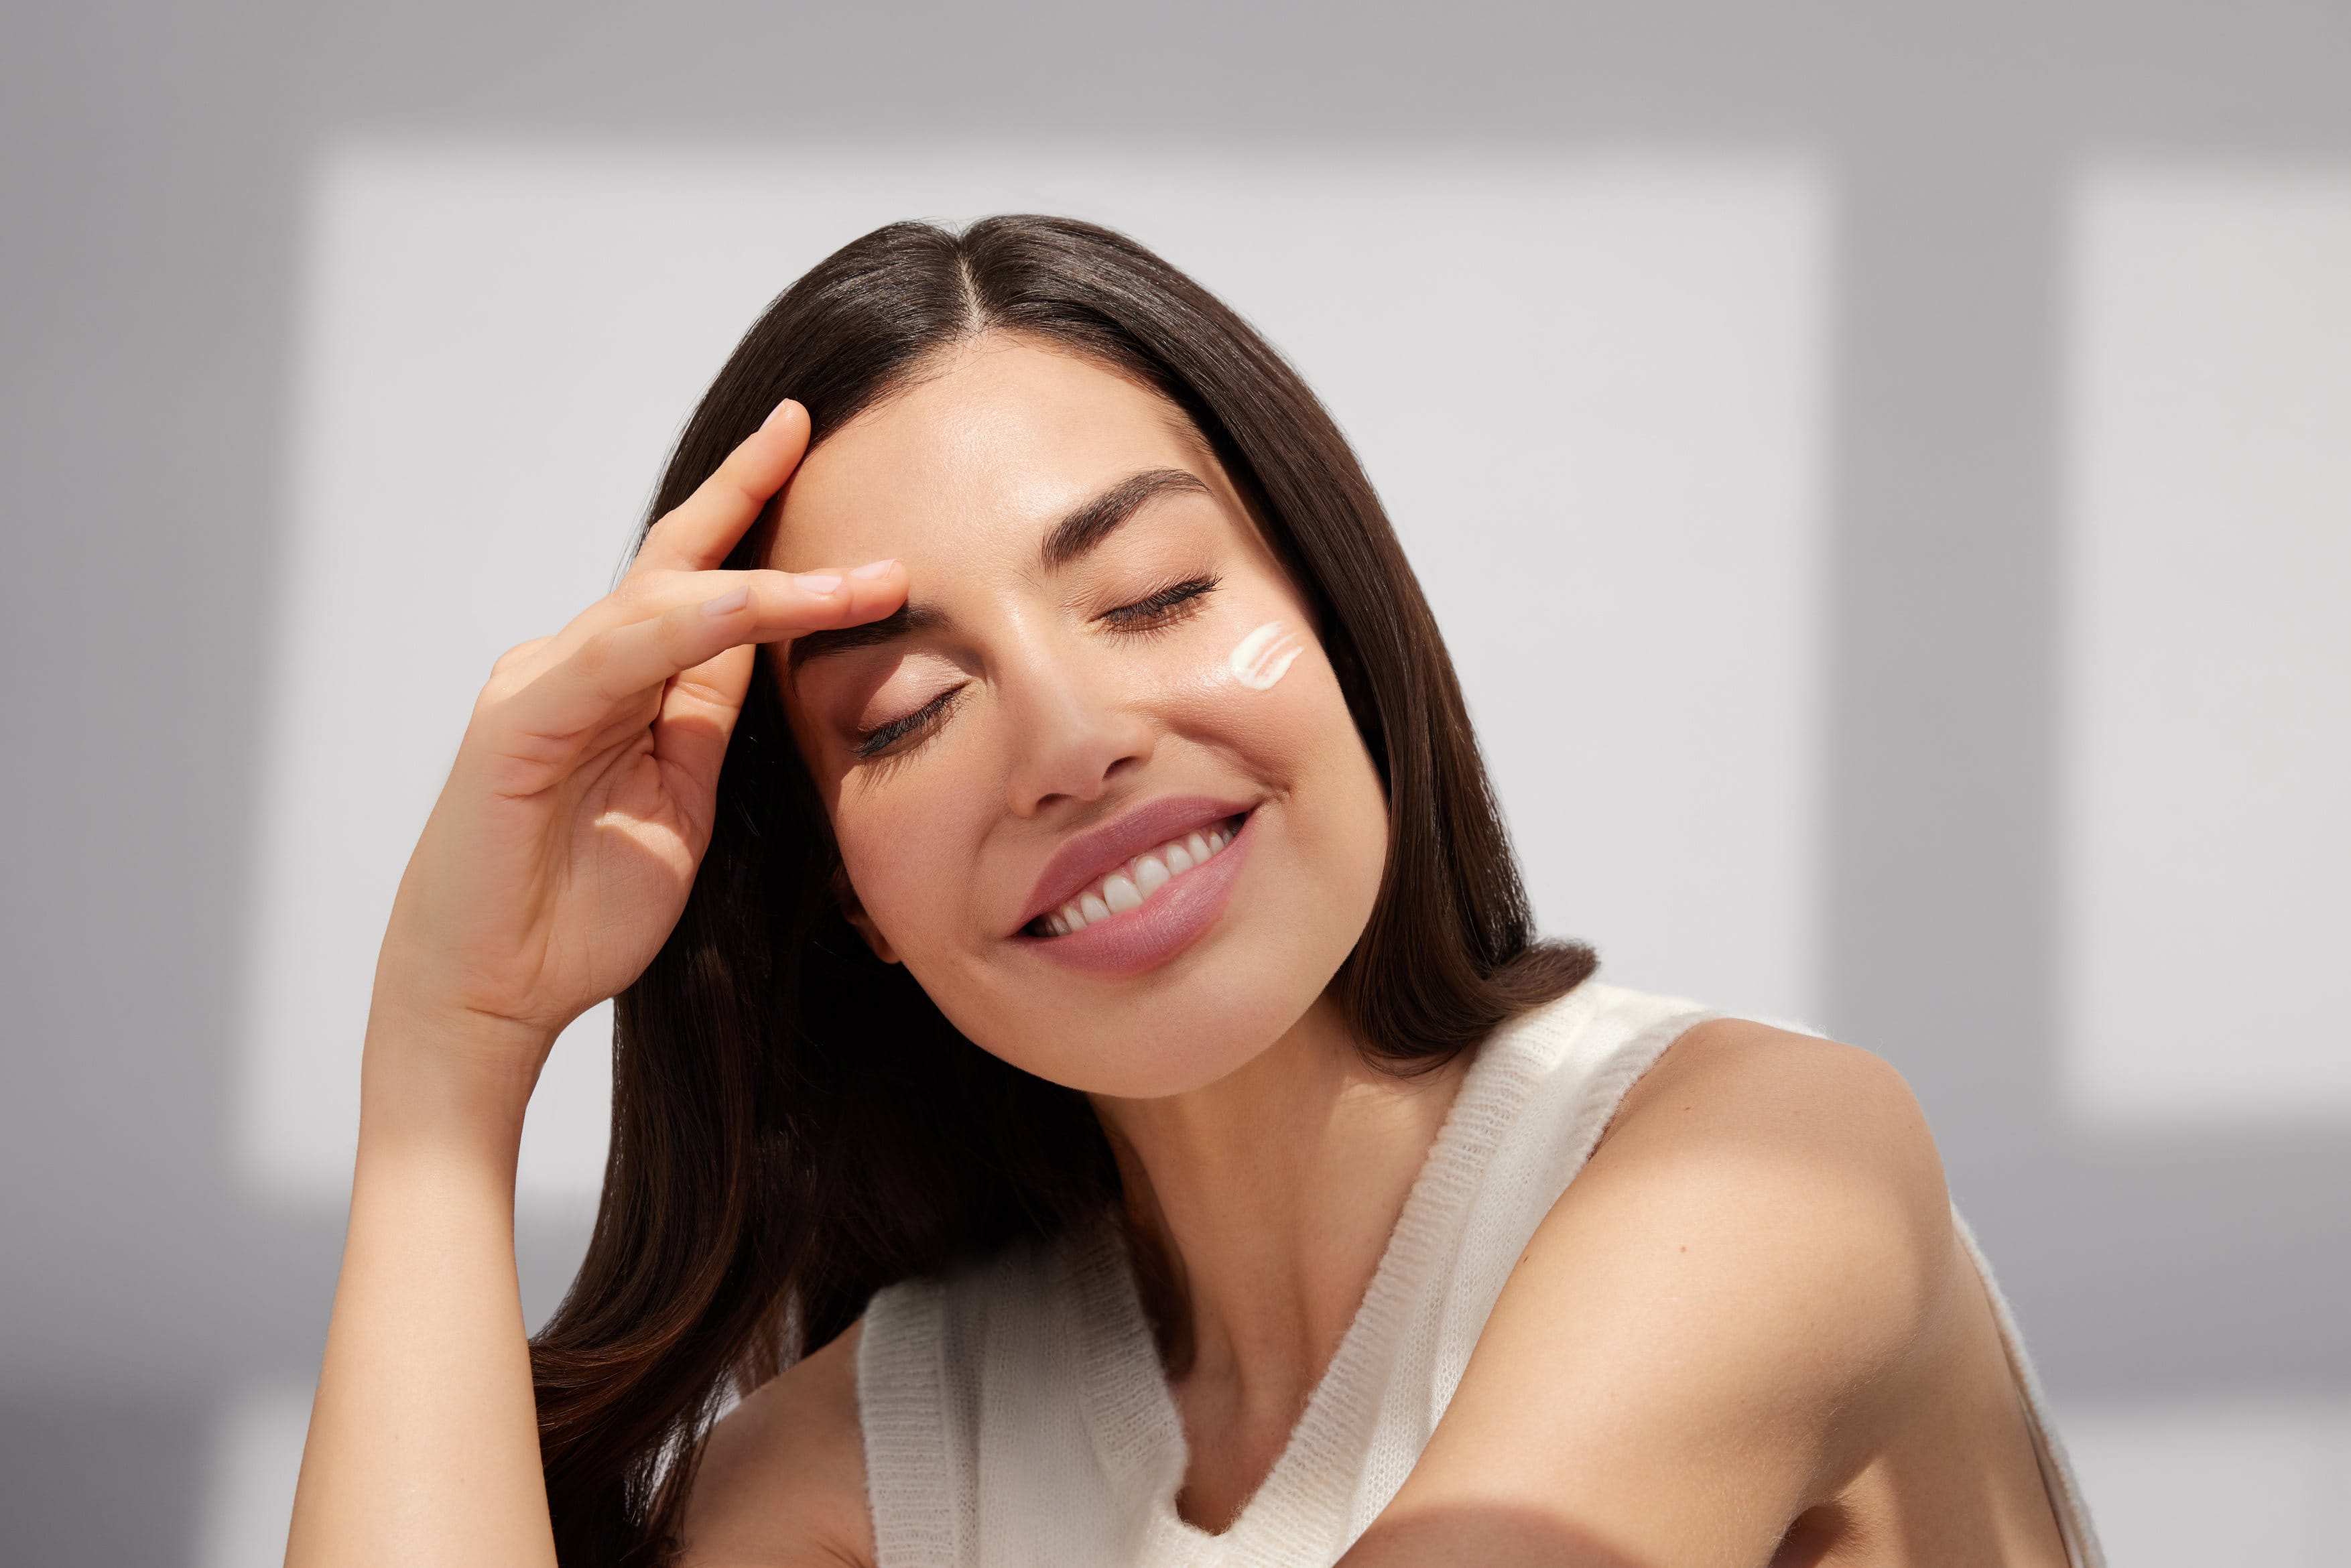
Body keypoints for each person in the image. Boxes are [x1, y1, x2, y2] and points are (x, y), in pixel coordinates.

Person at [285, 216, 2100, 1567]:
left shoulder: (1763, 1171)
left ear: (1340, 626)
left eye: (1154, 594)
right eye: (905, 710)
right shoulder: (872, 1460)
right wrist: (450, 1058)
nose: (1072, 742)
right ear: (846, 897)